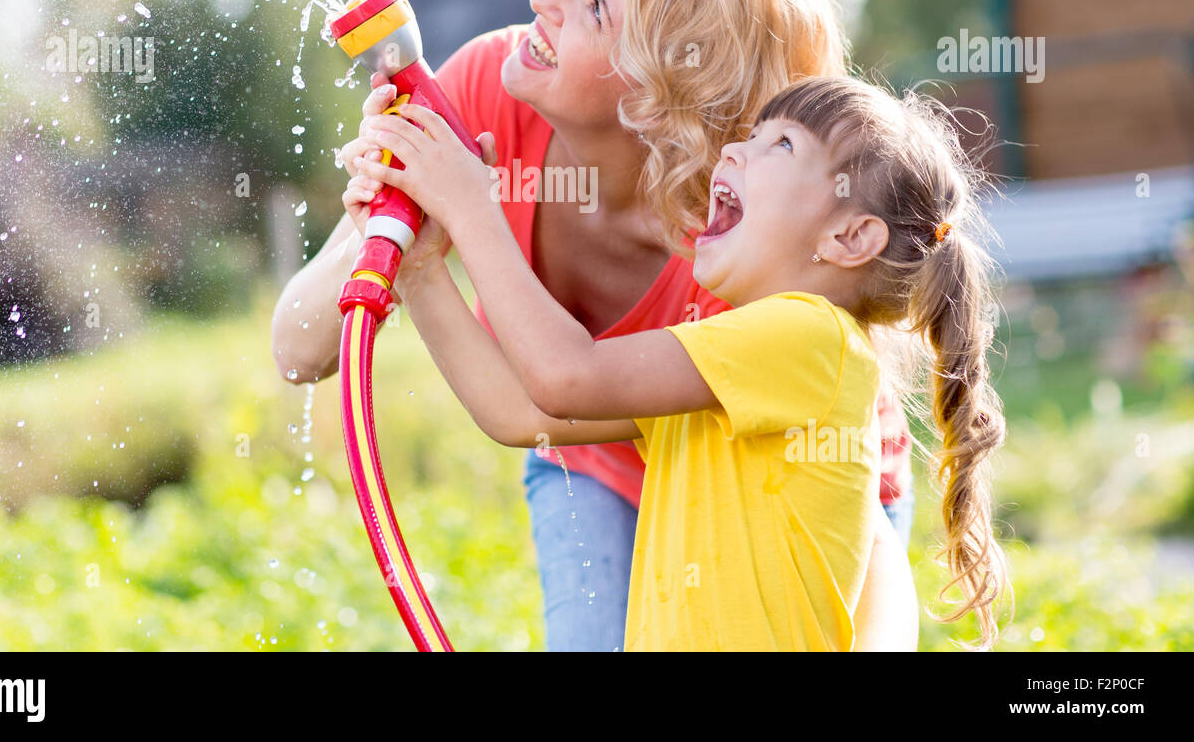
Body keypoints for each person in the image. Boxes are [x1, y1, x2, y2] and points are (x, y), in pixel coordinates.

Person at [271, 0, 917, 650]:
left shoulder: (747, 250)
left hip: (758, 493)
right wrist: (398, 224)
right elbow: (302, 350)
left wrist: (469, 207)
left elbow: (566, 383)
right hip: (593, 463)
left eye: (595, 7)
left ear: (660, 91)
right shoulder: (490, 90)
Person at [345, 75, 1008, 650]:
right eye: (750, 136)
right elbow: (520, 412)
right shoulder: (729, 363)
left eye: (781, 146)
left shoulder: (814, 337)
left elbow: (567, 376)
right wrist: (426, 269)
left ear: (851, 236)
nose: (735, 152)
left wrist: (470, 207)